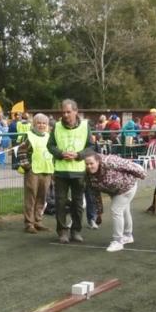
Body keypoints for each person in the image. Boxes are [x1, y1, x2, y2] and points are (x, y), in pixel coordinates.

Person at [48, 99, 93, 244]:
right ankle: (62, 232)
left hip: (79, 171)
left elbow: (91, 146)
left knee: (78, 204)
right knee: (60, 203)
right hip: (61, 171)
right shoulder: (56, 126)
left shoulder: (86, 126)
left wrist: (79, 155)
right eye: (63, 112)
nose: (65, 115)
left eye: (68, 112)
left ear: (76, 111)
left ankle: (76, 231)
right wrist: (61, 154)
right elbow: (50, 146)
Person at [84, 152, 146, 252]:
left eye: (91, 163)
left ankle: (118, 241)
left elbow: (127, 164)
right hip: (114, 191)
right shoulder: (88, 176)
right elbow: (96, 194)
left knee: (116, 209)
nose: (89, 166)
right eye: (87, 164)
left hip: (128, 185)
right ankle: (128, 235)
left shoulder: (109, 162)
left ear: (98, 161)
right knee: (124, 210)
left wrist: (142, 174)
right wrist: (99, 213)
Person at [16, 113, 54, 233]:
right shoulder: (28, 136)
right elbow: (21, 151)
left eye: (44, 123)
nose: (42, 125)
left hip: (47, 170)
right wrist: (27, 166)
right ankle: (29, 223)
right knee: (31, 197)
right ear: (34, 124)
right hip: (33, 171)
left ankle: (38, 221)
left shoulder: (49, 137)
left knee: (42, 197)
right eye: (39, 123)